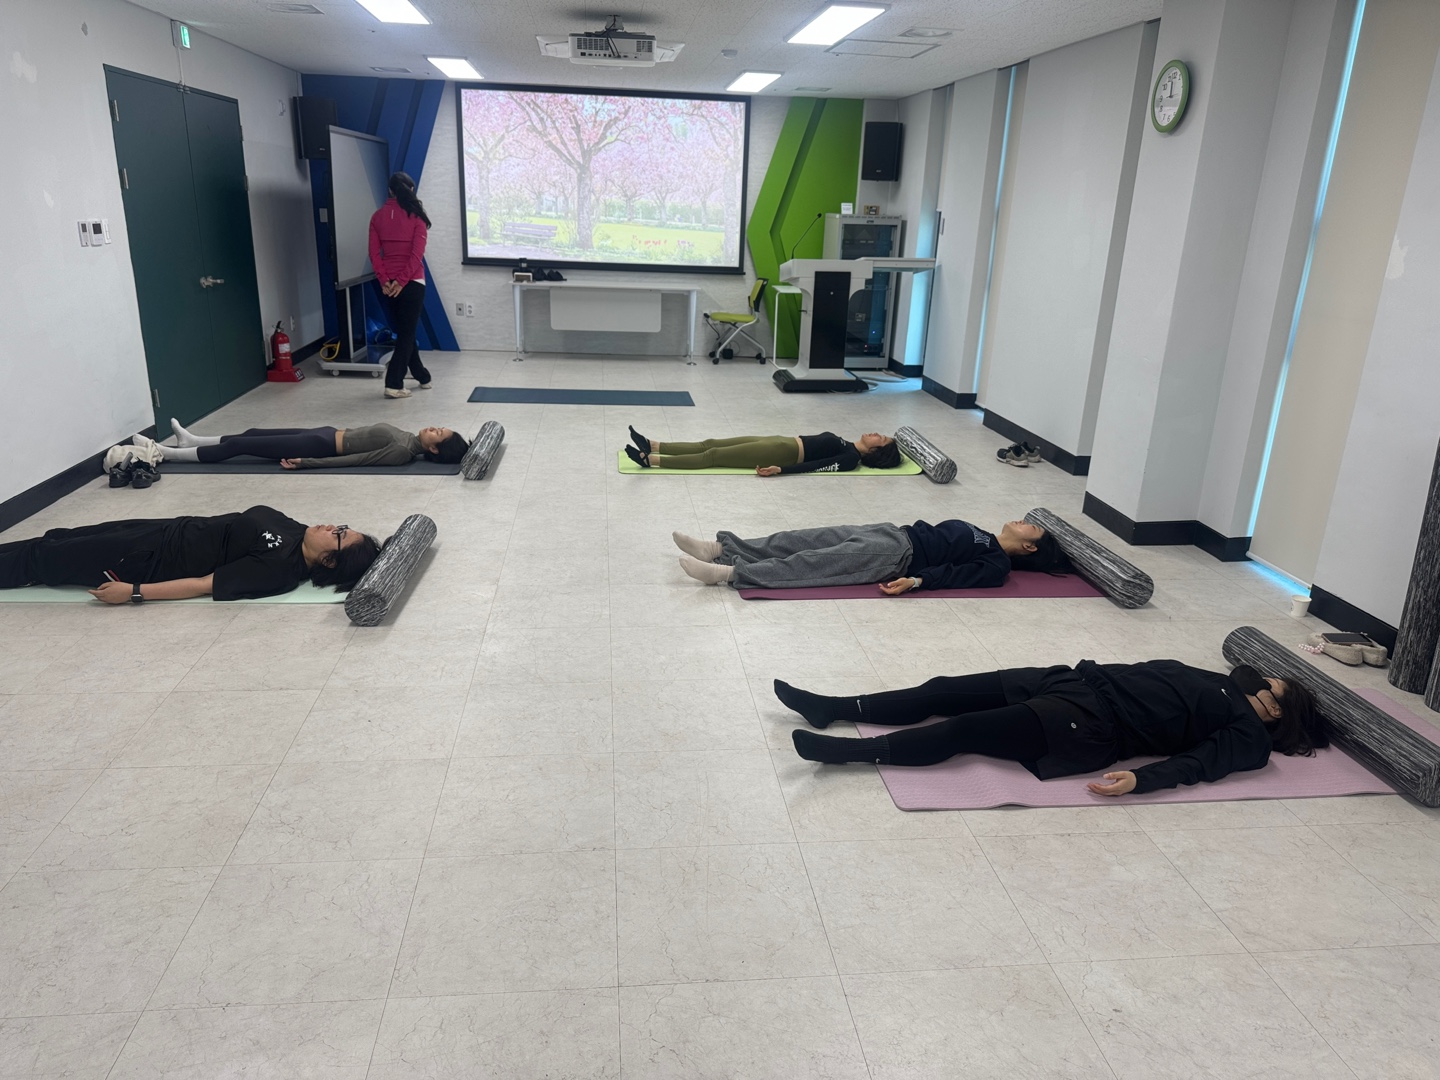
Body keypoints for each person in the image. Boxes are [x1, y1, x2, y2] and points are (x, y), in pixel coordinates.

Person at [775, 660, 1329, 796]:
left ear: (1277, 711)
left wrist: (1143, 780)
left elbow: (1198, 766)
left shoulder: (1248, 738)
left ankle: (846, 752)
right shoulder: (1225, 682)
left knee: (965, 728)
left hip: (1091, 723)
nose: (1259, 680)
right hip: (1069, 680)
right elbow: (1242, 669)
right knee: (941, 688)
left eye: (1271, 686)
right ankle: (831, 705)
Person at [0, 506, 380, 602]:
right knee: (58, 539)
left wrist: (133, 592)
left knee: (42, 560)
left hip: (145, 559)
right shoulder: (299, 531)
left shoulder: (278, 570)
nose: (333, 526)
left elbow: (203, 584)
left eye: (339, 535)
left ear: (329, 561)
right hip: (162, 529)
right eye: (341, 526)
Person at [672, 518, 1067, 591]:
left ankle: (727, 574)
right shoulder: (982, 532)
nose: (1024, 520)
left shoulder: (997, 563)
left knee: (815, 564)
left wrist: (917, 581)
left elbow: (955, 574)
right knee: (801, 539)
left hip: (899, 555)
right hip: (891, 532)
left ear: (1030, 547)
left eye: (1032, 527)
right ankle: (720, 549)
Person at [143, 419, 469, 469]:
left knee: (240, 447)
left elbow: (356, 460)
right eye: (439, 427)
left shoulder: (402, 452)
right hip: (324, 432)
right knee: (252, 433)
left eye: (437, 434)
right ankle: (192, 440)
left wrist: (309, 463)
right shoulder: (409, 437)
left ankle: (168, 454)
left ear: (434, 449)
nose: (433, 428)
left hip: (318, 446)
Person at [369, 171, 432, 399]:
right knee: (406, 334)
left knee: (406, 331)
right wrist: (402, 281)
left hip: (388, 284)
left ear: (390, 191)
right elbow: (416, 256)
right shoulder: (417, 218)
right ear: (411, 191)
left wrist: (385, 280)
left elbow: (374, 254)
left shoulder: (377, 217)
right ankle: (394, 383)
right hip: (412, 282)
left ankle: (422, 375)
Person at [624, 425, 903, 474]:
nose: (876, 434)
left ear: (876, 452)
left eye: (881, 439)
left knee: (714, 457)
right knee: (711, 443)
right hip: (779, 440)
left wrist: (782, 469)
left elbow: (816, 466)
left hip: (781, 453)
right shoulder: (847, 444)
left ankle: (652, 461)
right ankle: (654, 445)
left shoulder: (850, 458)